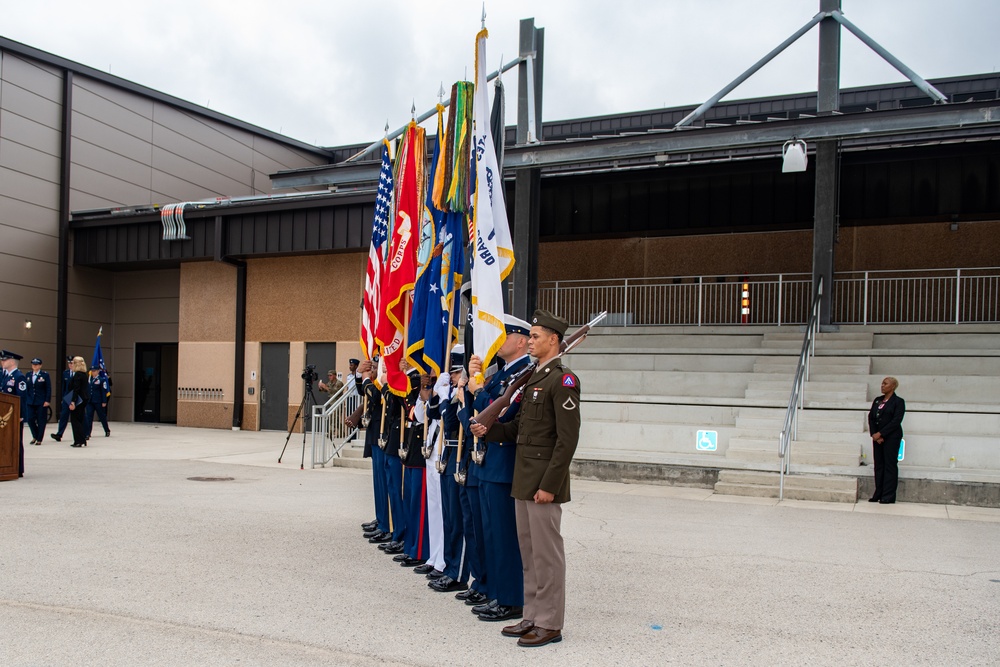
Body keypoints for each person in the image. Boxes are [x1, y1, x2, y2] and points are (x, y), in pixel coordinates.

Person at [471, 309, 581, 648]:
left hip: (543, 484)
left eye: (535, 336)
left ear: (553, 340)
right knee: (530, 553)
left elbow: (567, 440)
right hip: (523, 480)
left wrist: (549, 485)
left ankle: (550, 624)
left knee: (547, 556)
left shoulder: (563, 380)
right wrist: (488, 430)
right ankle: (532, 615)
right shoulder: (535, 378)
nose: (529, 341)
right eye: (529, 336)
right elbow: (519, 429)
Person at [466, 315, 532, 623]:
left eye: (504, 335)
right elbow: (477, 413)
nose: (498, 341)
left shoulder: (523, 373)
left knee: (505, 536)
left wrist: (478, 390)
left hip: (504, 462)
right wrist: (474, 384)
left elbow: (504, 413)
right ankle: (496, 591)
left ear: (521, 341)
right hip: (487, 461)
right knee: (490, 533)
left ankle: (511, 599)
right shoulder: (500, 374)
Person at [868, 376, 905, 505]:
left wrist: (881, 433)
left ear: (893, 386)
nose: (882, 385)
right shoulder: (878, 400)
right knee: (879, 465)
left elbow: (896, 420)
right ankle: (878, 493)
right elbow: (871, 417)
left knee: (889, 465)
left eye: (885, 383)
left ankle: (888, 495)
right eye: (882, 383)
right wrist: (874, 434)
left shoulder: (898, 402)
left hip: (891, 437)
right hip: (878, 438)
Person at [1, 349, 29, 477]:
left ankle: (18, 468)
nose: (2, 362)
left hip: (14, 416)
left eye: (5, 359)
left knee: (16, 441)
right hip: (5, 415)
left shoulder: (19, 377)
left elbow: (21, 398)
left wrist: (20, 415)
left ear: (12, 361)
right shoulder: (5, 376)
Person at [24, 357, 51, 445]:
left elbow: (48, 388)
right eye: (33, 365)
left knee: (41, 420)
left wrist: (47, 400)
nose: (35, 366)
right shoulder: (28, 374)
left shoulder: (45, 375)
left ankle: (39, 438)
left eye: (37, 365)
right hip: (30, 401)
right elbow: (26, 388)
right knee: (30, 419)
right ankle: (35, 435)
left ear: (40, 365)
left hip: (41, 401)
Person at [65, 356, 90, 448]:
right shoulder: (84, 374)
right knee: (81, 419)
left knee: (75, 420)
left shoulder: (78, 375)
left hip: (78, 399)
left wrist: (72, 401)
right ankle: (82, 439)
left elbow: (76, 389)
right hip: (84, 399)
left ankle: (78, 440)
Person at [50, 357, 74, 442]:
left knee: (80, 417)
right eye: (69, 363)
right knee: (63, 416)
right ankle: (59, 434)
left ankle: (85, 433)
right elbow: (63, 387)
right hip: (67, 397)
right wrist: (63, 398)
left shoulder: (79, 373)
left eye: (72, 363)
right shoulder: (66, 373)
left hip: (76, 397)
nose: (70, 365)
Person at [85, 366, 111, 439]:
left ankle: (107, 430)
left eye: (94, 371)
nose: (93, 372)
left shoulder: (101, 380)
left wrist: (104, 401)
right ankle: (88, 433)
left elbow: (103, 391)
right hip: (90, 401)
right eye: (92, 371)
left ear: (98, 371)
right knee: (89, 417)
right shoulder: (89, 379)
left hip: (98, 401)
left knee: (102, 416)